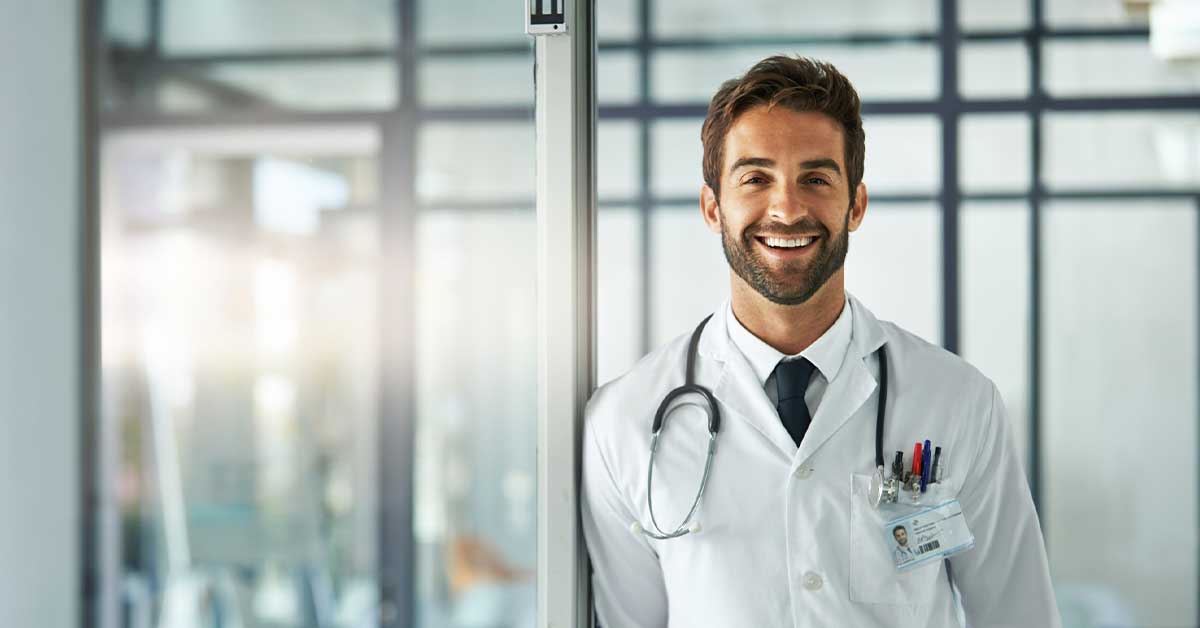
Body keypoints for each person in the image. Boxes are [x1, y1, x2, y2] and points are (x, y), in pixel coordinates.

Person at [580, 55, 1060, 627]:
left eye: (816, 178)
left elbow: (1019, 614)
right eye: (756, 178)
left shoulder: (956, 401)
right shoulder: (625, 420)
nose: (787, 208)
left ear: (855, 204)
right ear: (713, 208)